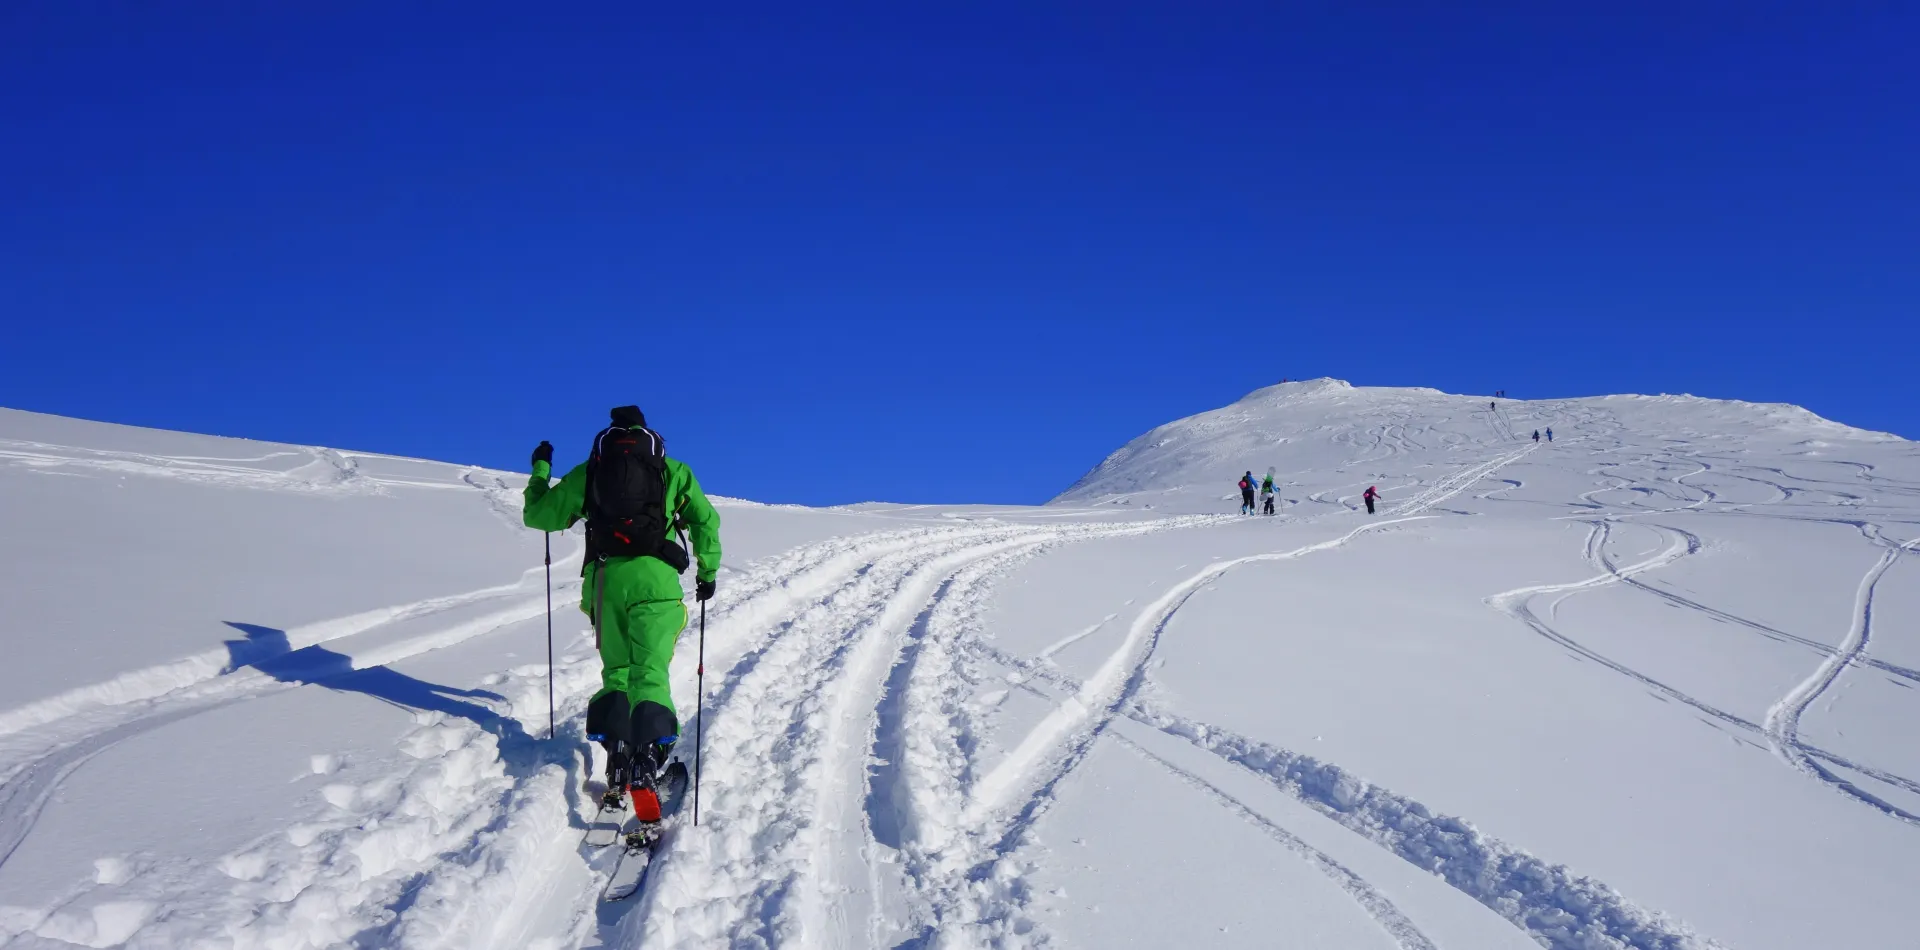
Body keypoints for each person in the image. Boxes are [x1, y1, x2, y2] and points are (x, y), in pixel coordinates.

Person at [524, 406, 722, 824]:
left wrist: (540, 469)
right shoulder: (672, 470)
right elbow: (705, 521)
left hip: (604, 584)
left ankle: (617, 758)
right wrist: (708, 571)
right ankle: (647, 760)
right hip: (656, 582)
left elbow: (538, 516)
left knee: (617, 670)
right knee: (649, 671)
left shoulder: (591, 471)